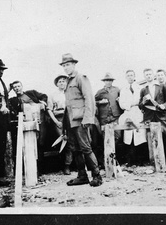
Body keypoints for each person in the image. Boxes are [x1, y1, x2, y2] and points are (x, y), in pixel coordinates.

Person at [60, 53, 102, 187]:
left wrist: (88, 118)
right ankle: (82, 176)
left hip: (81, 120)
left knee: (86, 148)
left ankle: (97, 176)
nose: (66, 68)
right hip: (71, 121)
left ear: (74, 65)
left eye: (68, 65)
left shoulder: (80, 78)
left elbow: (89, 98)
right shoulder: (68, 81)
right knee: (75, 149)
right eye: (64, 65)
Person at [9, 81, 48, 176]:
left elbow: (44, 96)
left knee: (40, 143)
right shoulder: (13, 100)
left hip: (40, 120)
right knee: (29, 145)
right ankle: (32, 170)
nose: (17, 88)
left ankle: (40, 169)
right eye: (14, 87)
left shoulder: (31, 93)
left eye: (18, 86)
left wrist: (43, 102)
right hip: (27, 123)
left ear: (22, 86)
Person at [118, 70, 148, 166]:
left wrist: (137, 104)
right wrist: (130, 104)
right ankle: (131, 160)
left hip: (138, 112)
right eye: (128, 76)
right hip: (128, 113)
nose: (130, 77)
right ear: (126, 77)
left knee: (139, 136)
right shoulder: (123, 90)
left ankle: (140, 160)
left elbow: (144, 101)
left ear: (135, 76)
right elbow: (122, 104)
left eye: (131, 75)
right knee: (128, 136)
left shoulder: (141, 88)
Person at [47, 74, 73, 175]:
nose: (62, 83)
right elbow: (49, 110)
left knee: (72, 141)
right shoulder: (53, 95)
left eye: (64, 81)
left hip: (70, 118)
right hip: (59, 118)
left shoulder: (70, 93)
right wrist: (56, 122)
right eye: (60, 82)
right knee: (64, 140)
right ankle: (65, 166)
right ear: (57, 84)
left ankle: (69, 164)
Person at [95, 72, 122, 144]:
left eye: (110, 80)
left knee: (118, 135)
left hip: (115, 117)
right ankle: (108, 154)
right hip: (104, 118)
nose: (108, 82)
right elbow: (93, 102)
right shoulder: (100, 92)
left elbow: (122, 99)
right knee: (106, 137)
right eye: (106, 80)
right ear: (104, 81)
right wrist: (99, 102)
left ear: (112, 81)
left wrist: (120, 99)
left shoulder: (117, 90)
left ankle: (115, 153)